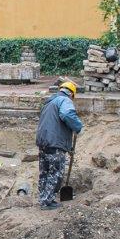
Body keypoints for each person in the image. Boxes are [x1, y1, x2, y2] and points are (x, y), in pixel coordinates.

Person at [35, 79, 84, 210]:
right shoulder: (65, 100)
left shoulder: (49, 102)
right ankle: (48, 202)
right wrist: (78, 127)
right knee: (56, 172)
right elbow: (67, 114)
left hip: (43, 141)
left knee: (44, 171)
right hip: (55, 142)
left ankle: (43, 198)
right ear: (71, 94)